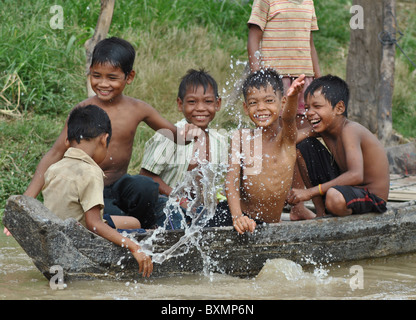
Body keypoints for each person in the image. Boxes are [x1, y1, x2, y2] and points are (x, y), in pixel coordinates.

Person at [4, 37, 197, 236]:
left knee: (146, 186)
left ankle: (147, 230)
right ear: (90, 73)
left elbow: (176, 136)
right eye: (97, 75)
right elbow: (54, 154)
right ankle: (128, 227)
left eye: (112, 78)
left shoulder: (138, 109)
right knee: (101, 221)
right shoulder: (83, 112)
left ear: (129, 77)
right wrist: (25, 203)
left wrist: (191, 133)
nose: (103, 84)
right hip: (93, 196)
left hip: (121, 186)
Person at [41, 105, 153, 277]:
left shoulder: (53, 169)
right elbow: (93, 224)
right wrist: (133, 246)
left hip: (59, 233)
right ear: (104, 139)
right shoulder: (91, 172)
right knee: (136, 225)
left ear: (66, 141)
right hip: (81, 237)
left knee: (132, 222)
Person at [287, 75, 390, 218]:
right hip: (345, 189)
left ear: (339, 108)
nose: (309, 113)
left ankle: (346, 219)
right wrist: (290, 103)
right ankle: (321, 213)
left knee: (334, 198)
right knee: (303, 147)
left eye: (317, 106)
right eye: (307, 107)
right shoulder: (323, 127)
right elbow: (289, 140)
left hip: (370, 196)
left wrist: (308, 193)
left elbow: (356, 175)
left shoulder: (350, 130)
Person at [139, 69, 228, 228]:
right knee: (174, 215)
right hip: (166, 204)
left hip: (199, 208)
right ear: (180, 104)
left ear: (217, 104)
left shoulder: (219, 141)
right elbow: (146, 176)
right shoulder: (171, 135)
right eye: (192, 102)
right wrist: (176, 197)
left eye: (208, 101)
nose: (200, 108)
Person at [225, 68, 305, 234]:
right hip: (241, 217)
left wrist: (293, 97)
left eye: (269, 101)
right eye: (253, 103)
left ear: (282, 103)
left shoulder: (286, 139)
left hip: (270, 225)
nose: (261, 108)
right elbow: (231, 181)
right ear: (246, 108)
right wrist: (237, 217)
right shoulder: (241, 138)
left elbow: (289, 119)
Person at [247, 0, 321, 129]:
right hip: (276, 79)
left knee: (302, 128)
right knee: (276, 129)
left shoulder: (308, 2)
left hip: (304, 78)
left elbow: (310, 44)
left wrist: (319, 80)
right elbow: (253, 39)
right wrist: (257, 79)